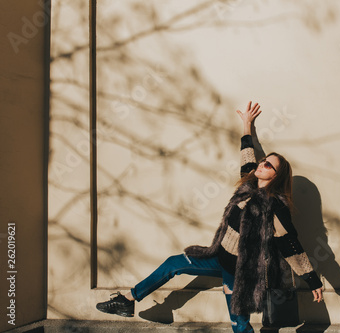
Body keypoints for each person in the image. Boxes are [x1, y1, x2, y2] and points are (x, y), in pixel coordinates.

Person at [96, 101, 324, 332]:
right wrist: (247, 124)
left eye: (268, 165)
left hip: (239, 271)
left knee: (240, 325)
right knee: (173, 264)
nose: (262, 164)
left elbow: (290, 246)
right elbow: (247, 154)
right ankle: (127, 300)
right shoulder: (248, 184)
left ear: (276, 176)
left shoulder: (275, 206)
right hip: (218, 256)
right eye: (264, 161)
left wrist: (312, 280)